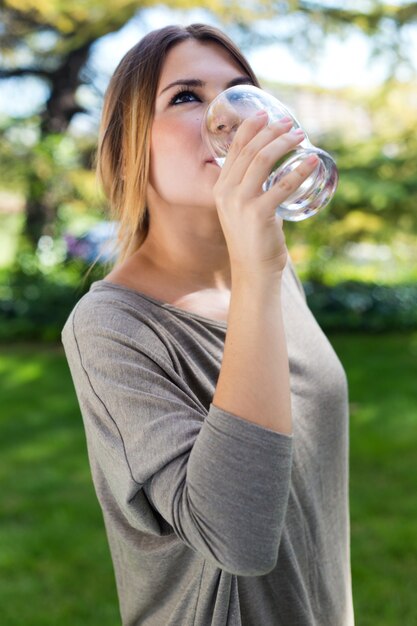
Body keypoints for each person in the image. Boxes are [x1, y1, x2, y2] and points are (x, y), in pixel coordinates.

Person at [62, 23, 354, 626]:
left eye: (241, 92)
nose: (230, 120)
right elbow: (238, 540)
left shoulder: (272, 271)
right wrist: (256, 269)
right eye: (187, 97)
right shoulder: (110, 328)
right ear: (129, 147)